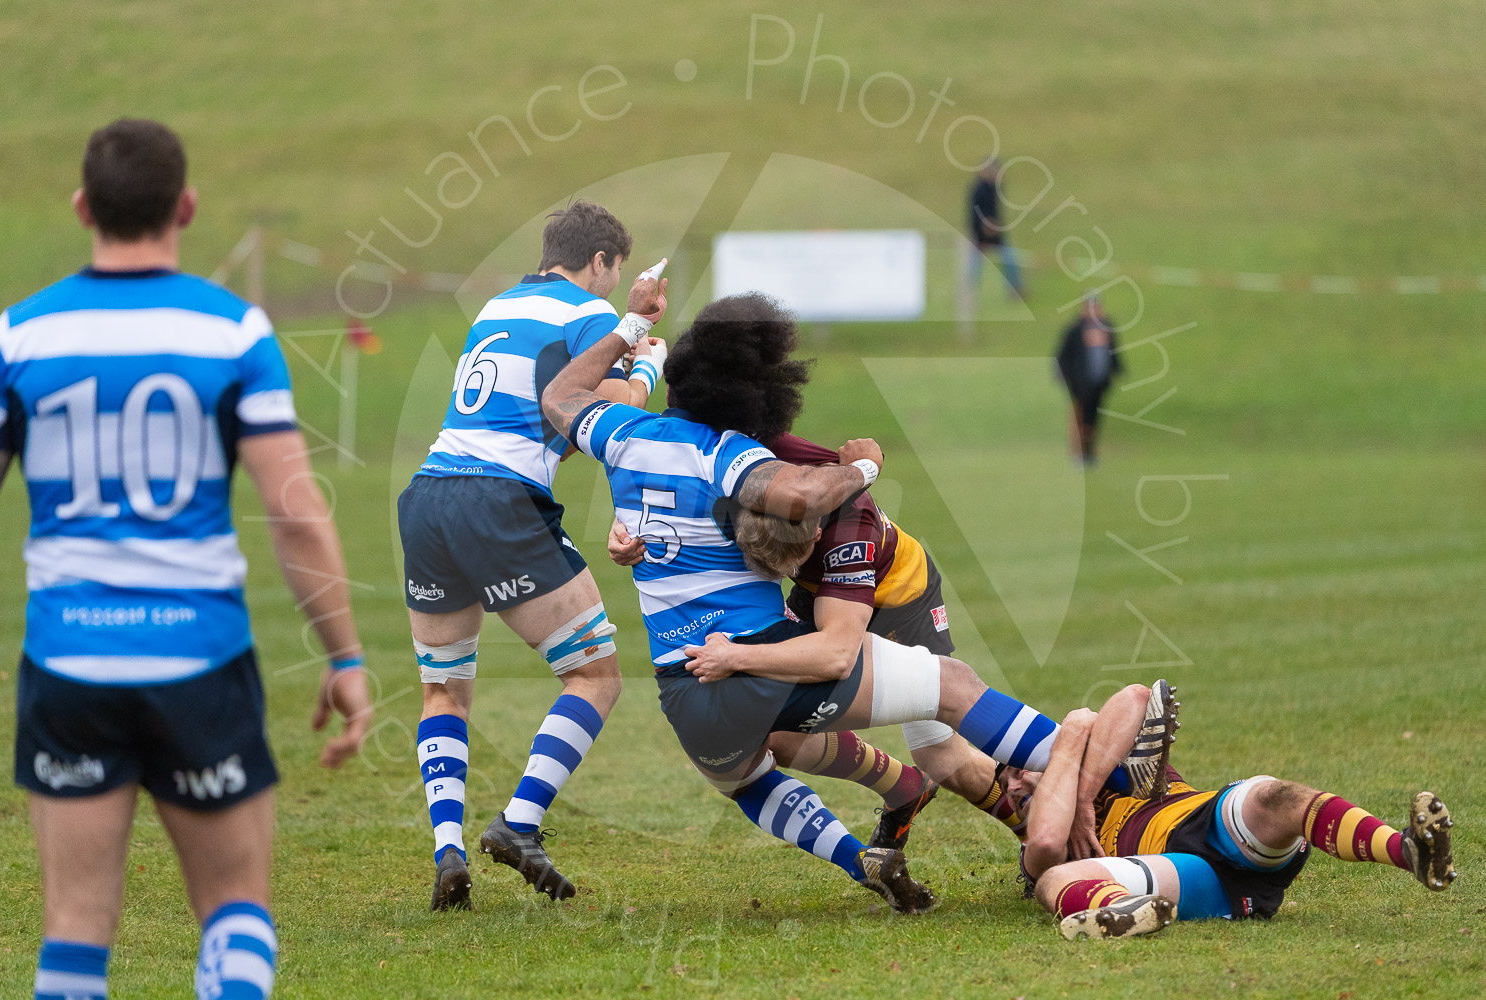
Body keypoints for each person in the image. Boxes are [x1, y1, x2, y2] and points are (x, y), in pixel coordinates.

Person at [541, 293, 1161, 914]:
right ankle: (1103, 778)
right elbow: (803, 502)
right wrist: (862, 468)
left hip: (683, 695)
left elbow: (560, 399)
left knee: (751, 778)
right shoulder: (729, 456)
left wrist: (633, 327)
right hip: (763, 657)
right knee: (953, 686)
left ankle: (866, 852)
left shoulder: (623, 433)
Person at [0, 118, 373, 1000]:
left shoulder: (19, 336)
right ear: (186, 207)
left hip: (68, 661)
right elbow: (295, 512)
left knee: (75, 931)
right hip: (199, 661)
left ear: (83, 206)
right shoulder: (232, 331)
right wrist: (346, 655)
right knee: (236, 913)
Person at [609, 440, 1176, 849]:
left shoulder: (844, 529)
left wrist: (734, 656)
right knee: (779, 737)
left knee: (938, 750)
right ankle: (1028, 823)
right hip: (821, 598)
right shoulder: (742, 468)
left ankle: (1113, 781)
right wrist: (630, 533)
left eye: (791, 555)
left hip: (894, 597)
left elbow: (835, 654)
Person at [397, 200, 669, 910]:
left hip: (429, 496)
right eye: (610, 272)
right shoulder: (588, 314)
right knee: (595, 676)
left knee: (443, 687)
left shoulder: (497, 304)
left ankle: (447, 851)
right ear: (602, 262)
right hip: (498, 500)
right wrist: (647, 369)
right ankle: (519, 823)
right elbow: (604, 416)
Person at [995, 684, 1458, 940]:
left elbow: (1136, 697)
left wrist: (1081, 791)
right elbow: (1044, 849)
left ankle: (1409, 851)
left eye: (1019, 771)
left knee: (1271, 795)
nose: (1015, 785)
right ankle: (1123, 913)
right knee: (1055, 881)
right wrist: (1071, 736)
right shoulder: (1039, 838)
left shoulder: (1113, 770)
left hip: (1208, 823)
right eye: (1009, 787)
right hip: (1185, 873)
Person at [1055, 294, 1122, 465]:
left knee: (1093, 419)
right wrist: (1064, 377)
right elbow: (1063, 356)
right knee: (1079, 419)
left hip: (1099, 383)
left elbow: (1113, 353)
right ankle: (1079, 454)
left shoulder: (1107, 328)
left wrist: (1117, 370)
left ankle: (1090, 453)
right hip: (1079, 385)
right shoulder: (1075, 329)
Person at [966, 158, 1025, 301]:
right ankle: (968, 293)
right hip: (981, 234)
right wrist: (985, 228)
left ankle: (1015, 289)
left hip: (995, 233)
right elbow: (976, 213)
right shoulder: (979, 189)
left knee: (1009, 258)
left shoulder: (994, 188)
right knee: (975, 265)